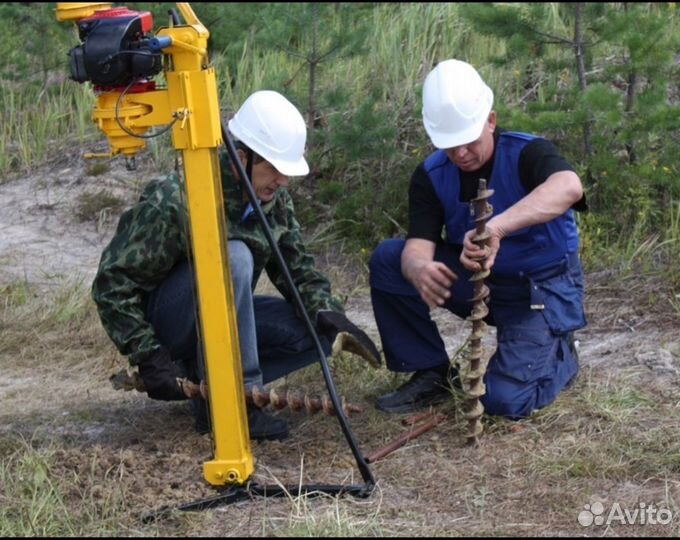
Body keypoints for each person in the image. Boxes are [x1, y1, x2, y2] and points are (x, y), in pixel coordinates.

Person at [92, 90, 380, 441]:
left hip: (222, 323)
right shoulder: (175, 199)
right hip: (172, 327)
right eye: (273, 168)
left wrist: (328, 313)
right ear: (239, 159)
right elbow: (112, 285)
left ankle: (206, 388)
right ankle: (238, 402)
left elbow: (297, 267)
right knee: (234, 257)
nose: (283, 181)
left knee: (317, 334)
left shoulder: (273, 198)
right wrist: (149, 354)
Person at [369, 59, 587, 419]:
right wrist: (419, 267)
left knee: (503, 402)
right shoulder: (431, 174)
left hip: (540, 289)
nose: (459, 154)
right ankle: (431, 372)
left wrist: (497, 228)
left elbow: (569, 187)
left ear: (491, 120)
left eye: (468, 142)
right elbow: (417, 246)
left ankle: (560, 350)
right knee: (390, 259)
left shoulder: (529, 153)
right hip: (480, 283)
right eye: (449, 145)